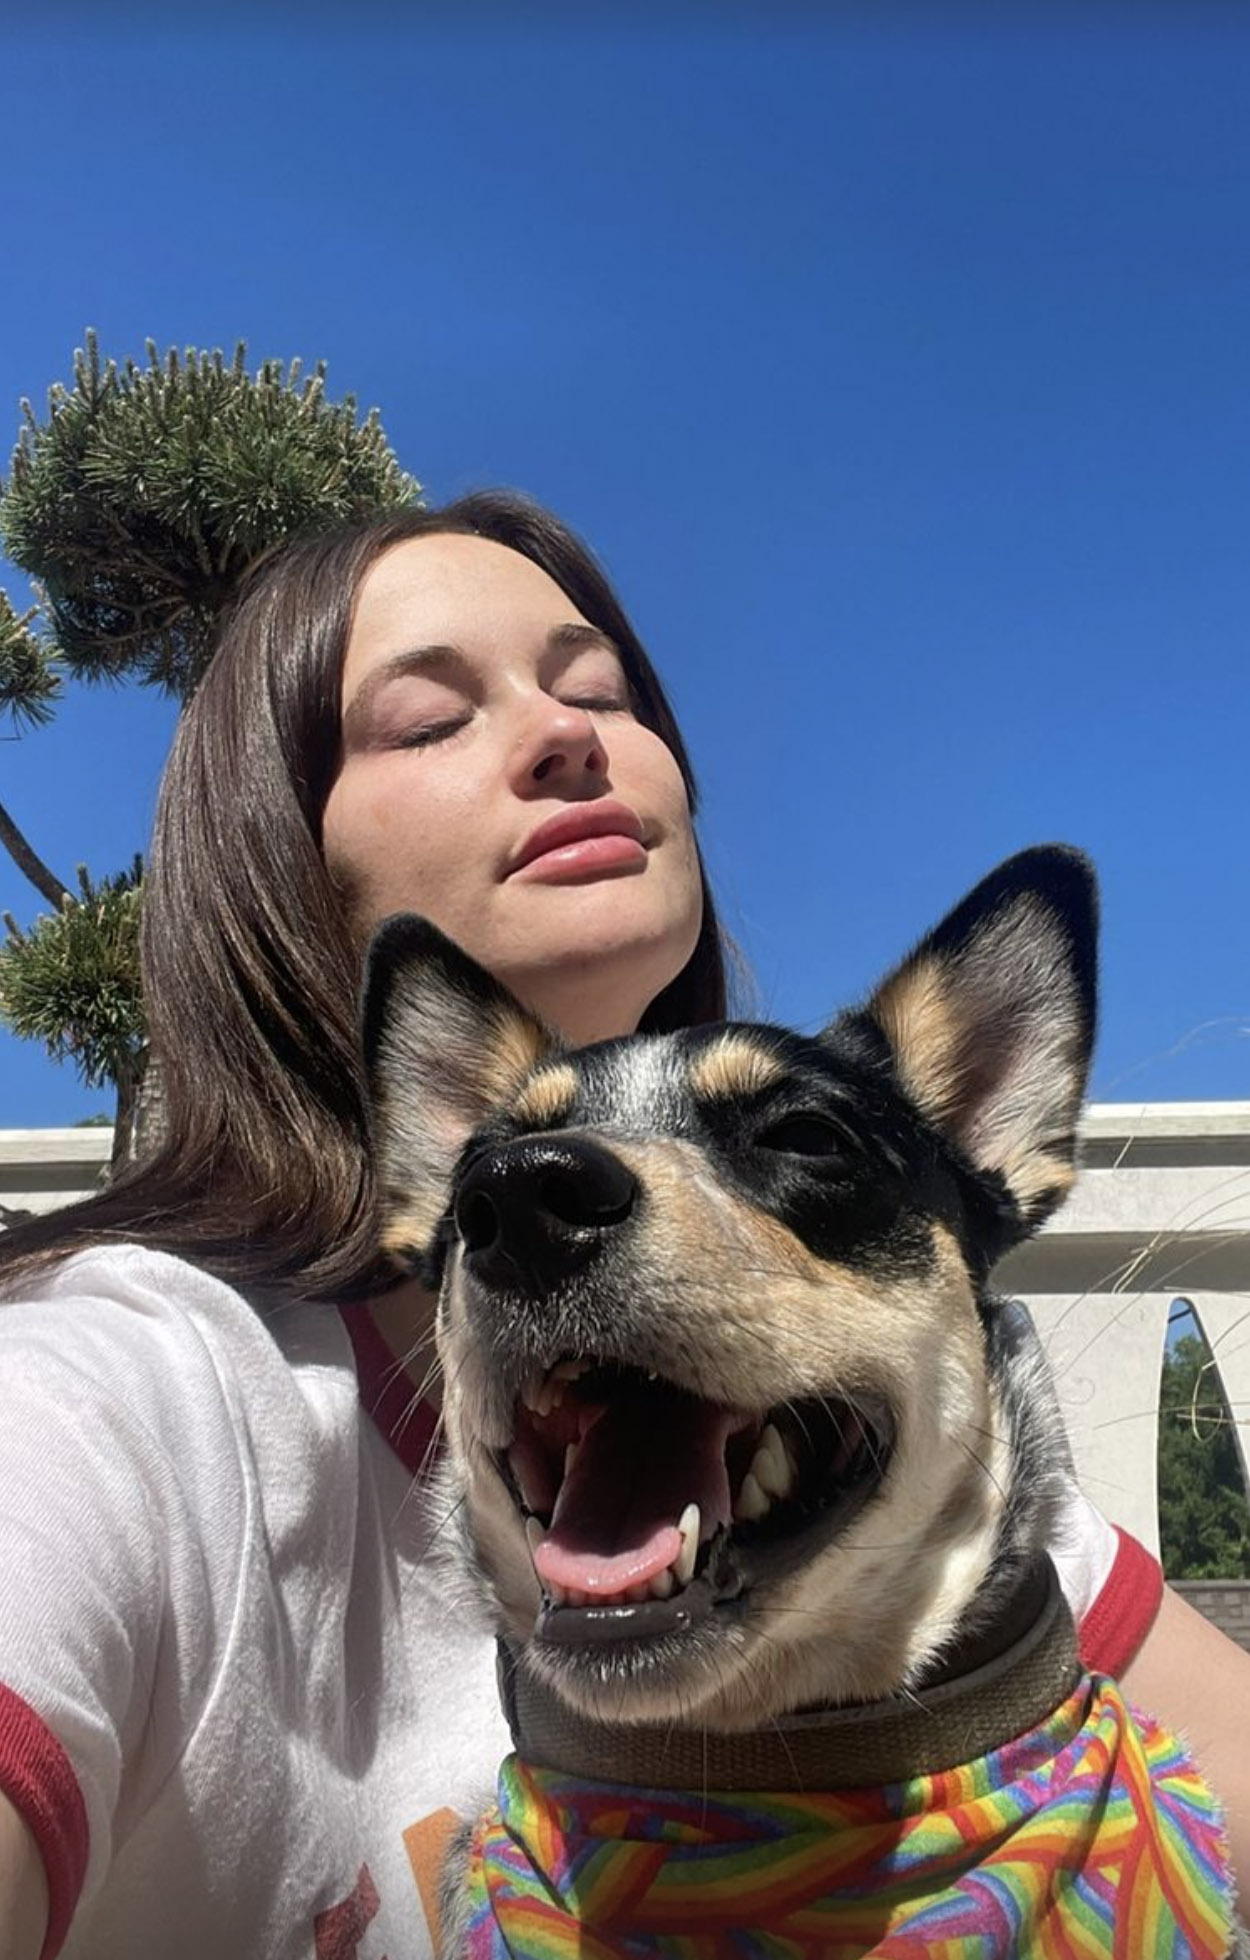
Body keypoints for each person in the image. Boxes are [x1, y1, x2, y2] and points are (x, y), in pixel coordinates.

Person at [0, 492, 1245, 1959]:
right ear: (275, 859)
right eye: (425, 720)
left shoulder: (965, 1511)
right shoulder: (125, 1402)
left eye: (598, 688)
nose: (564, 733)